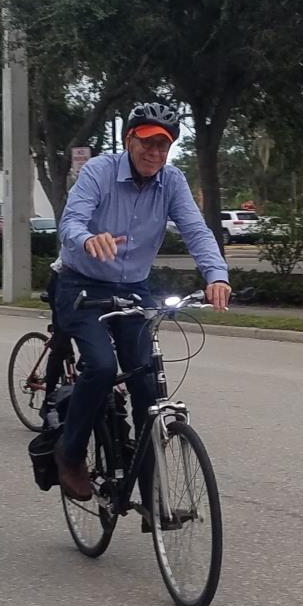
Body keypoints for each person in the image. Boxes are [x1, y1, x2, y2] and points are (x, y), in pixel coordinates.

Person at [50, 102, 232, 502]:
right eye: (147, 143)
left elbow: (196, 230)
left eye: (163, 145)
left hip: (133, 288)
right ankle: (71, 452)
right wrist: (87, 238)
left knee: (147, 385)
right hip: (81, 285)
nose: (155, 153)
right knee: (99, 365)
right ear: (129, 140)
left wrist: (216, 274)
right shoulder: (98, 171)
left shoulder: (173, 181)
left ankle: (152, 494)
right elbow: (71, 221)